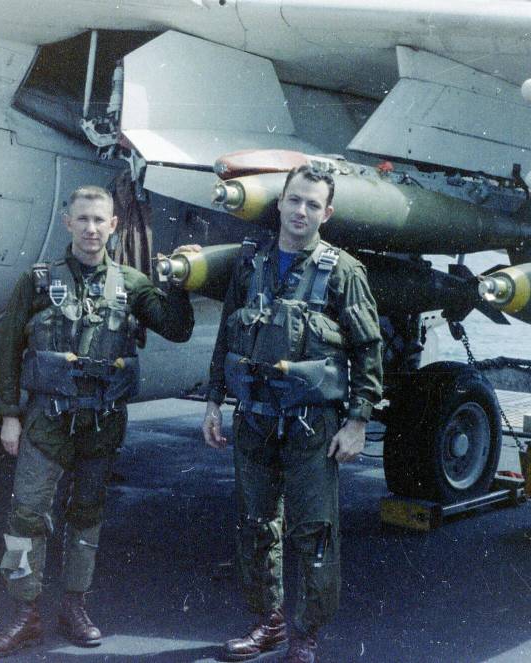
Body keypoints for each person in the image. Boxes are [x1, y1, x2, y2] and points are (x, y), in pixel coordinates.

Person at [0, 185, 195, 657]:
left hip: (101, 424)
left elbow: (177, 330)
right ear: (68, 223)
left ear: (114, 225)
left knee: (87, 517)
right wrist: (9, 417)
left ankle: (74, 607)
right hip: (45, 423)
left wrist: (180, 283)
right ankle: (25, 613)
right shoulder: (37, 282)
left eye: (100, 220)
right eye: (82, 219)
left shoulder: (132, 283)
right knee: (26, 516)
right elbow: (7, 353)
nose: (91, 228)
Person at [202, 165, 383, 663]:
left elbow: (368, 348)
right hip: (255, 417)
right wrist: (215, 400)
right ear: (279, 203)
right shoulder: (251, 262)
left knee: (313, 530)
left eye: (312, 204)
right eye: (294, 200)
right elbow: (228, 334)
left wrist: (358, 421)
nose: (301, 211)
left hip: (312, 425)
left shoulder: (343, 270)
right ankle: (270, 622)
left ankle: (306, 635)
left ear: (327, 213)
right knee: (256, 523)